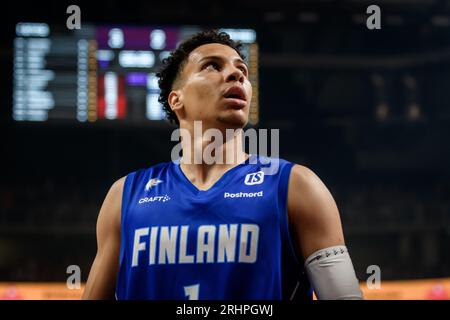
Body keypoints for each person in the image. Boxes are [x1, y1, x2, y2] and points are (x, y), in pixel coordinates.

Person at [82, 30, 363, 300]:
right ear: (176, 99)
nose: (237, 74)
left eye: (242, 69)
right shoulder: (125, 196)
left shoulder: (297, 187)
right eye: (212, 66)